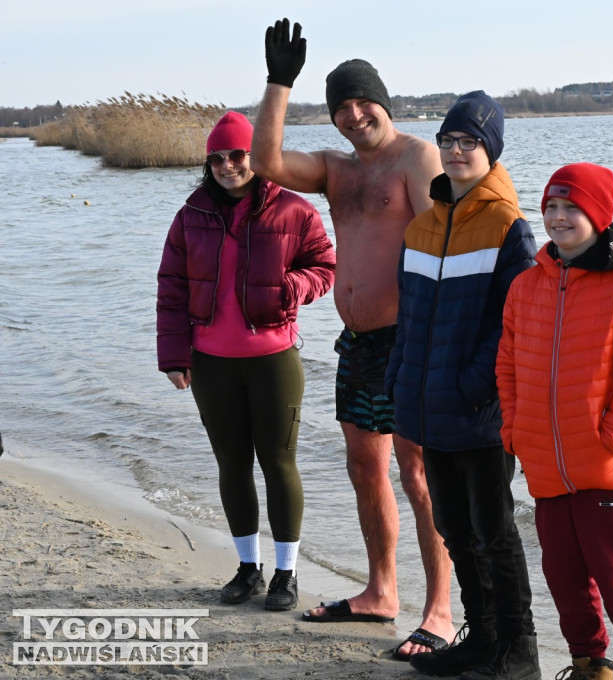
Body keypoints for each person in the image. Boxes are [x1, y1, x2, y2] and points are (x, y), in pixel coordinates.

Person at [250, 18, 456, 657]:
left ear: (384, 103)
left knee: (420, 475)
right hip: (358, 345)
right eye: (340, 107)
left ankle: (441, 610)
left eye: (363, 102)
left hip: (410, 341)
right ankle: (380, 592)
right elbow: (265, 162)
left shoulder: (417, 158)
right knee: (366, 468)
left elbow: (443, 249)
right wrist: (280, 82)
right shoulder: (337, 172)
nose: (353, 114)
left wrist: (439, 342)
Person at [386, 91, 540, 680]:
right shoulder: (421, 228)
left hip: (479, 411)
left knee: (493, 529)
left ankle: (518, 651)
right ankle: (482, 639)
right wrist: (401, 382)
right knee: (452, 524)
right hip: (428, 408)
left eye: (468, 143)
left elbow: (514, 324)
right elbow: (409, 318)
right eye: (448, 141)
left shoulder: (510, 227)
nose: (455, 152)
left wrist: (473, 386)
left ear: (490, 151)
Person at [156, 111, 336, 611]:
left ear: (254, 157)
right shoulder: (191, 213)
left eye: (237, 155)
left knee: (279, 464)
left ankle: (286, 574)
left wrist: (294, 286)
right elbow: (170, 289)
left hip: (273, 360)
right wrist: (173, 356)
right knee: (232, 465)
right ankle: (247, 568)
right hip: (210, 363)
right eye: (217, 158)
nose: (227, 165)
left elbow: (325, 266)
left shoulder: (295, 210)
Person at [495, 163, 613, 680]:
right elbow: (506, 365)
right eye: (550, 206)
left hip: (607, 467)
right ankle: (591, 667)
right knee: (564, 578)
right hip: (546, 467)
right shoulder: (526, 286)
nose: (558, 217)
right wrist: (514, 431)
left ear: (598, 215)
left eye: (571, 207)